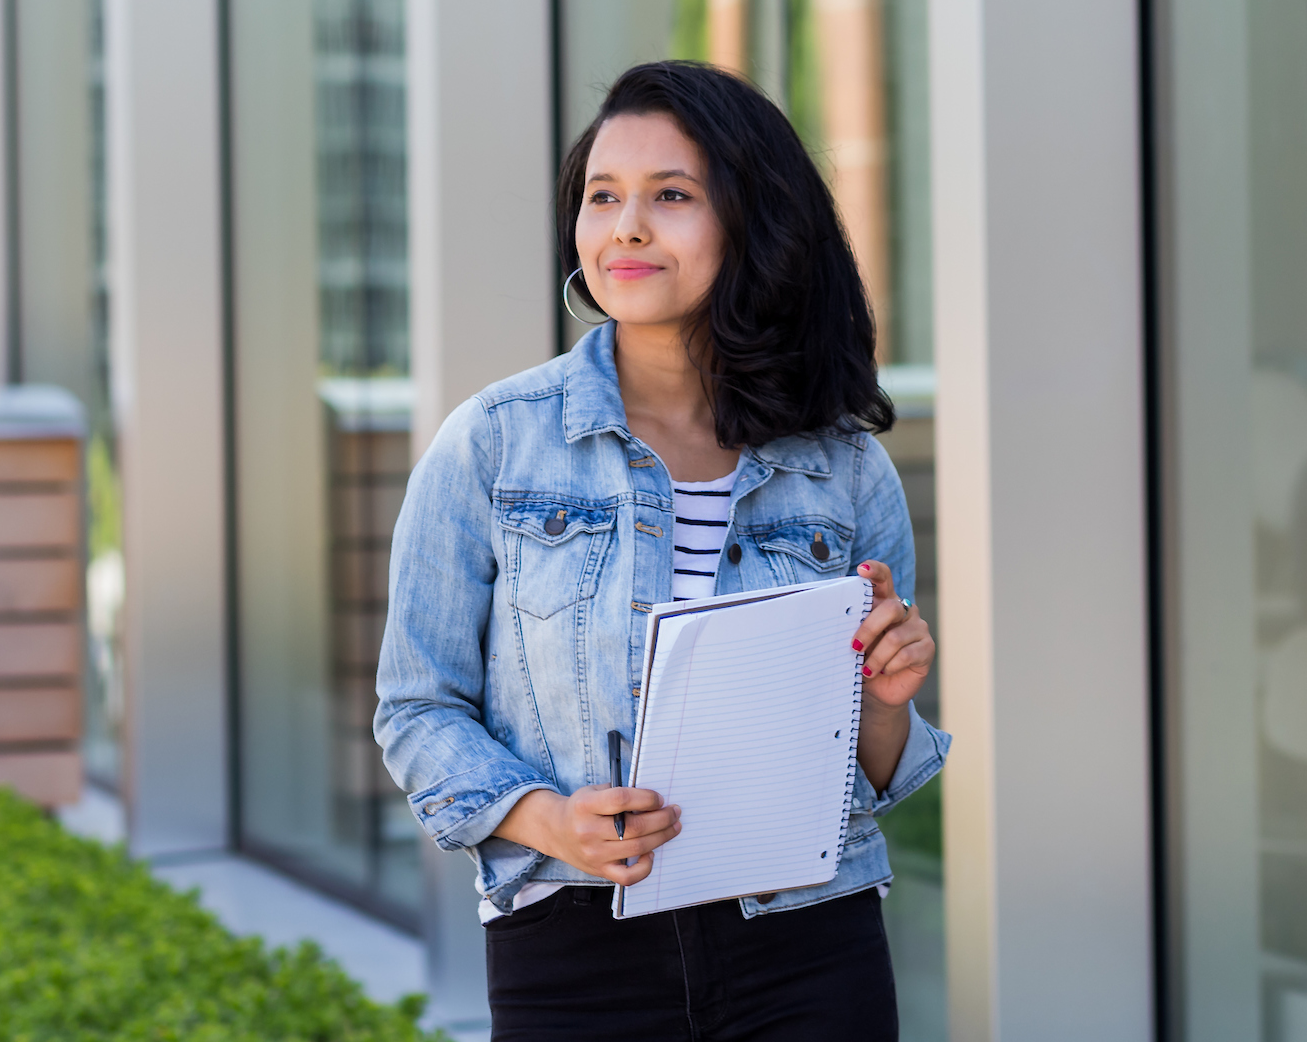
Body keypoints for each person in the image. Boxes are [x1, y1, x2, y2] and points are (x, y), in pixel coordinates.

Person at [375, 60, 948, 1039]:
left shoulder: (844, 470)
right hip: (576, 952)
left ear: (751, 222)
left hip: (810, 946)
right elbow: (416, 707)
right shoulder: (496, 442)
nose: (626, 226)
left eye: (671, 196)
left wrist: (887, 701)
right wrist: (549, 819)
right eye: (603, 197)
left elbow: (863, 767)